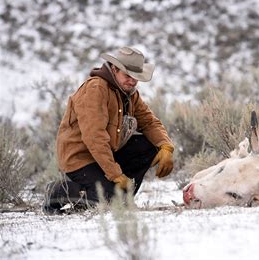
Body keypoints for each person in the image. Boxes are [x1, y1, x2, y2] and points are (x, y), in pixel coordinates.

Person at [44, 46, 174, 213]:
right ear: (114, 69)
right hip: (79, 158)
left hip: (106, 155)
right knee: (108, 200)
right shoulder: (96, 89)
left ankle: (122, 197)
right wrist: (115, 175)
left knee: (150, 145)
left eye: (136, 77)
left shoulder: (130, 93)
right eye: (128, 75)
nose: (132, 82)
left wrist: (166, 147)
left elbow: (149, 122)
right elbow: (95, 138)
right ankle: (57, 191)